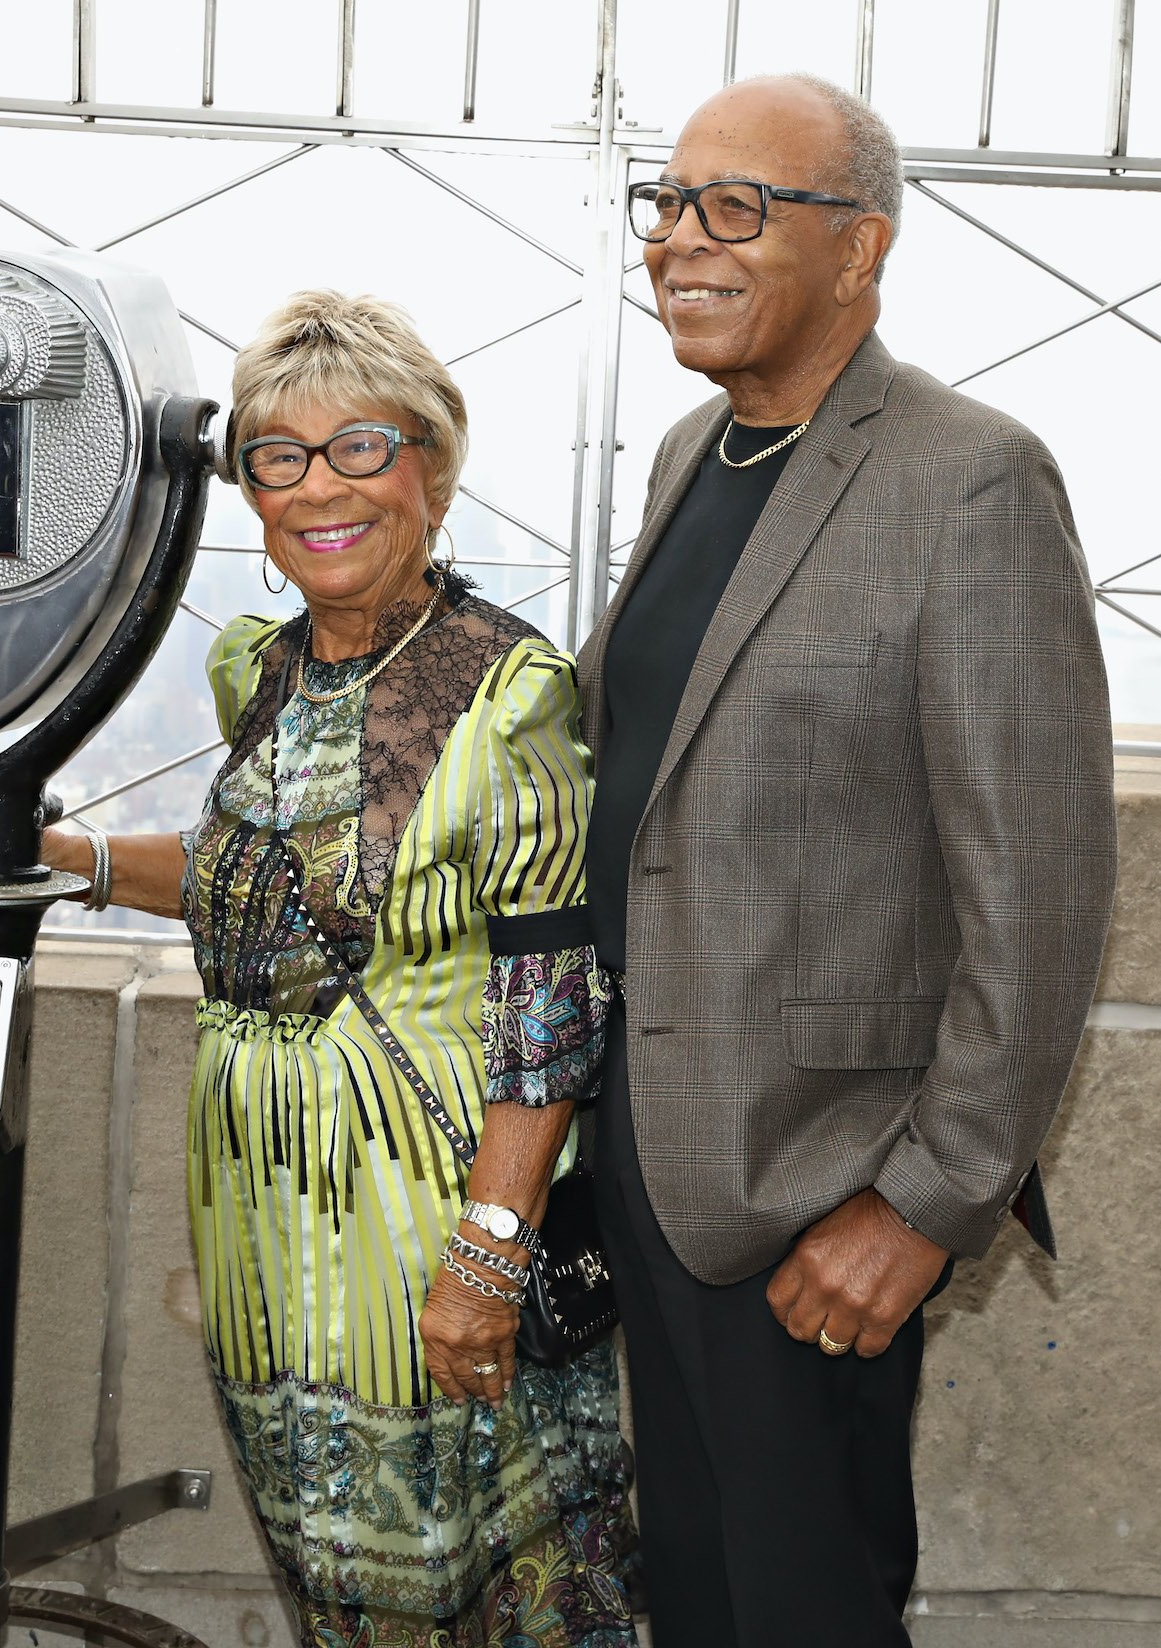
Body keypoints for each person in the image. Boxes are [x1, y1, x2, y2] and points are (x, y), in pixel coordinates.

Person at [579, 73, 1117, 1647]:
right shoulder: (694, 449)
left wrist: (924, 1204)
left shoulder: (968, 481)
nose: (682, 240)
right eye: (668, 205)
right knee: (694, 1593)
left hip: (814, 1198)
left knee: (797, 1609)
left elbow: (1039, 892)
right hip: (650, 1164)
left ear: (859, 249)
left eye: (734, 207)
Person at [45, 291, 638, 1648]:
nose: (319, 487)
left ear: (432, 465)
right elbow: (257, 890)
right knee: (325, 1553)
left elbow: (550, 1005)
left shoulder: (510, 693)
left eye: (360, 446)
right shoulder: (254, 664)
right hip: (256, 1190)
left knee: (463, 1562)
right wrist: (64, 853)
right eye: (278, 454)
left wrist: (487, 1256)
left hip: (420, 1194)